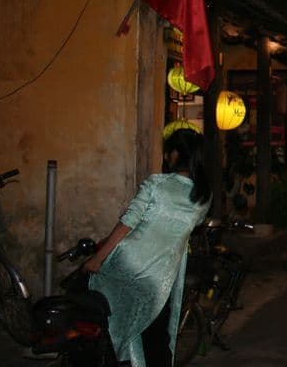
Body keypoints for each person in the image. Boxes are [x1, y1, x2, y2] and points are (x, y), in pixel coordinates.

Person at [84, 129, 211, 367]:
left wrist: (98, 258)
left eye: (168, 152)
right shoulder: (204, 197)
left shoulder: (157, 183)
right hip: (161, 281)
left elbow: (128, 223)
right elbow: (191, 225)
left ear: (175, 154)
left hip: (128, 266)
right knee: (155, 339)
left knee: (107, 319)